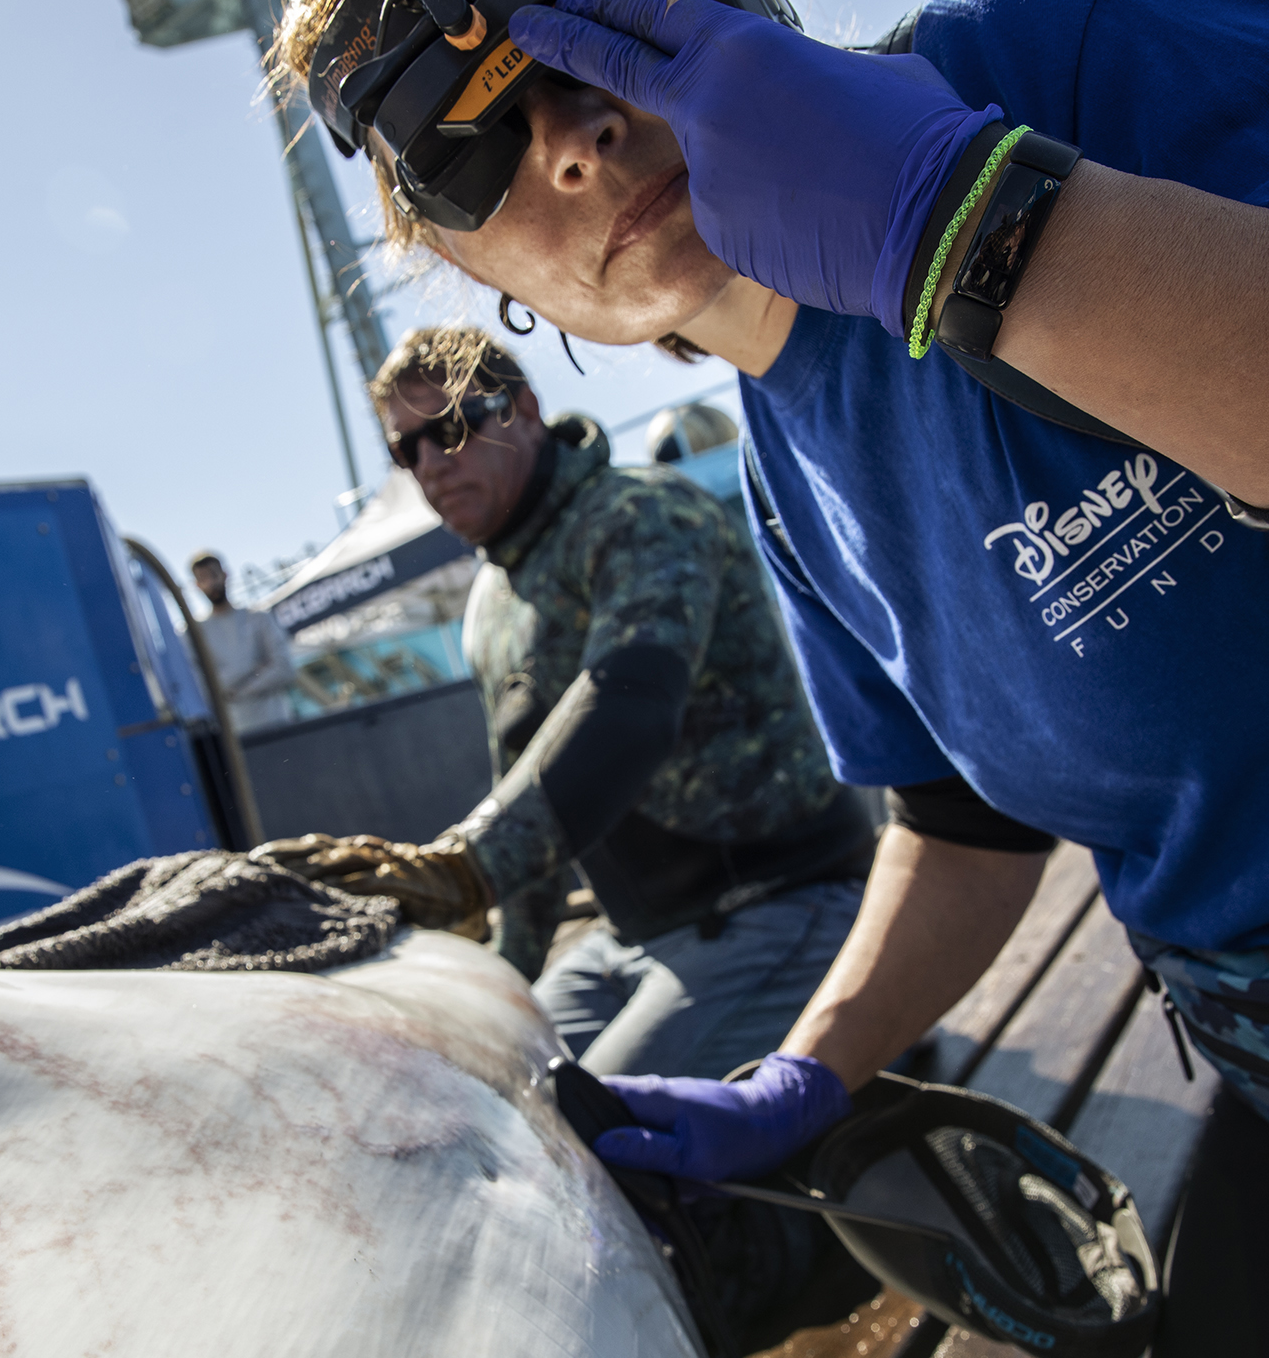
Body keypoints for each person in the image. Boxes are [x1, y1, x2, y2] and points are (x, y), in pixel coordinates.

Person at [271, 0, 1269, 1358]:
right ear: (469, 267)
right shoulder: (788, 488)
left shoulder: (1063, 55)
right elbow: (960, 829)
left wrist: (971, 223)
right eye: (468, 140)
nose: (575, 138)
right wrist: (805, 1076)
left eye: (604, 23)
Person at [258, 326, 878, 1083]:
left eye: (448, 429)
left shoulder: (643, 513)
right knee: (481, 1090)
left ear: (522, 409)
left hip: (782, 901)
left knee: (593, 1131)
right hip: (631, 937)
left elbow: (631, 705)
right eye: (405, 450)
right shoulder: (490, 604)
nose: (429, 465)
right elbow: (528, 805)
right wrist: (505, 980)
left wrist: (462, 870)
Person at [188, 550, 299, 733]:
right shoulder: (194, 633)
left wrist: (236, 690)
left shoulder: (259, 618)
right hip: (233, 735)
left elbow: (285, 668)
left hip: (278, 726)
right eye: (204, 578)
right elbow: (199, 686)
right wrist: (257, 671)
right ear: (197, 585)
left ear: (225, 575)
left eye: (214, 575)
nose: (211, 583)